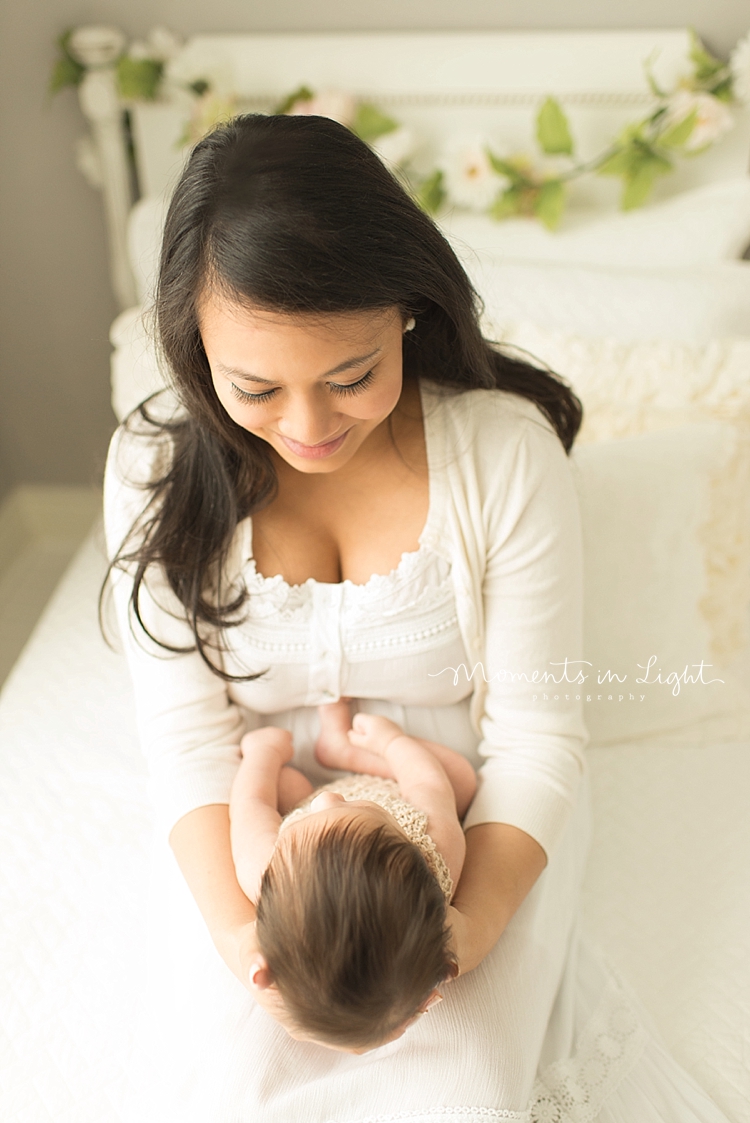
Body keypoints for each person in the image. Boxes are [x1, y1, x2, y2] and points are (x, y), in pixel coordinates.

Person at [105, 113, 730, 1122]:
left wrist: (465, 928)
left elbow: (537, 735)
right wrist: (243, 937)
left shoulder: (503, 455)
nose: (311, 429)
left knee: (465, 1091)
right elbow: (185, 740)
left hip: (469, 824)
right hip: (257, 839)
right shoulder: (151, 472)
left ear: (405, 309)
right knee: (227, 1091)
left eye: (350, 376)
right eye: (255, 388)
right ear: (193, 349)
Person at [228, 698, 477, 1053]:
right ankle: (346, 751)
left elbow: (251, 806)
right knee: (460, 779)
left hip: (302, 797)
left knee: (284, 785)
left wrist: (261, 754)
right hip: (393, 785)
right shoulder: (436, 850)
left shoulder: (268, 872)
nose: (329, 797)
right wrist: (392, 743)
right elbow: (426, 783)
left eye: (312, 818)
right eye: (349, 809)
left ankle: (338, 750)